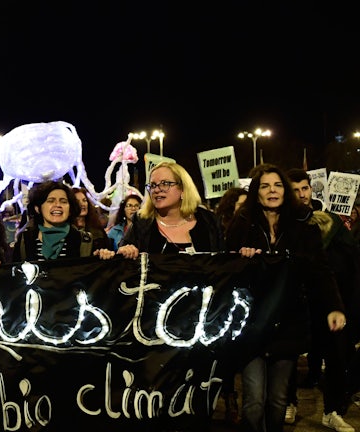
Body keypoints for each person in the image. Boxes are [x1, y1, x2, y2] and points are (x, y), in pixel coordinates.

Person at [226, 163, 347, 432]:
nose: (272, 190)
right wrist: (241, 259)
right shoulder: (241, 224)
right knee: (254, 401)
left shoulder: (304, 225)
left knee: (279, 401)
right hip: (250, 325)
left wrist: (333, 307)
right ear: (256, 192)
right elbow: (226, 269)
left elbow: (320, 271)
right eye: (266, 186)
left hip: (287, 323)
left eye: (278, 185)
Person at [285, 167, 360, 431]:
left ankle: (333, 410)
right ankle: (289, 402)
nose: (301, 194)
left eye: (304, 188)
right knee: (289, 356)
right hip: (294, 304)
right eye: (294, 190)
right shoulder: (282, 224)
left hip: (328, 302)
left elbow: (350, 261)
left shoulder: (331, 222)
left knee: (336, 356)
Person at [118, 161, 225, 258]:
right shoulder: (141, 223)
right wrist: (124, 252)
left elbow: (226, 261)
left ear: (183, 189)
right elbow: (121, 262)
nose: (156, 190)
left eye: (165, 184)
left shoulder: (209, 221)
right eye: (153, 185)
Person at [12, 180, 114, 262]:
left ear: (70, 209)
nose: (58, 205)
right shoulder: (25, 239)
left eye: (63, 201)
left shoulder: (84, 241)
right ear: (38, 208)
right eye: (51, 201)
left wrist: (105, 256)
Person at [213, 186, 248, 425]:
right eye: (240, 204)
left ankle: (231, 397)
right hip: (219, 298)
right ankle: (226, 396)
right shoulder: (218, 230)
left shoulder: (251, 230)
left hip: (240, 299)